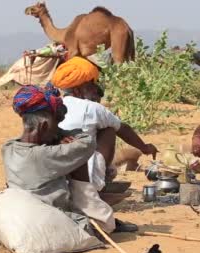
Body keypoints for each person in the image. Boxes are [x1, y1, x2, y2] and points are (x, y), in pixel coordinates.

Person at [2, 85, 116, 232]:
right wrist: (61, 136)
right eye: (57, 124)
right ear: (43, 126)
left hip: (21, 213)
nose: (57, 128)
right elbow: (86, 143)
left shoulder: (8, 148)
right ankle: (94, 211)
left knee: (74, 157)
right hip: (49, 220)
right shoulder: (45, 155)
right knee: (106, 225)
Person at [51, 57, 158, 190]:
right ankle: (99, 182)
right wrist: (144, 147)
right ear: (78, 90)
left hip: (54, 178)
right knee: (109, 129)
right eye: (91, 86)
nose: (95, 91)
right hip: (82, 180)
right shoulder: (91, 108)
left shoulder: (53, 105)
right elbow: (123, 128)